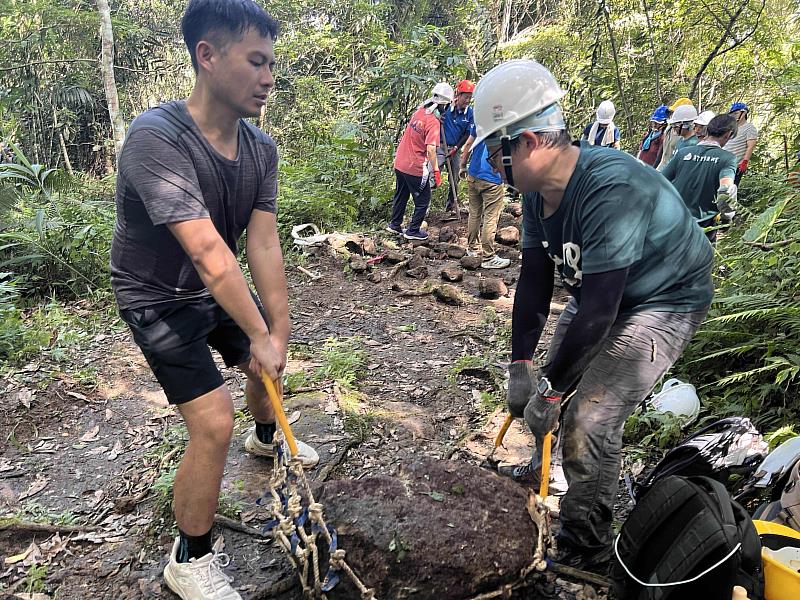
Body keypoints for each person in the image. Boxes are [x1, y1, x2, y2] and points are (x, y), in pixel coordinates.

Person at [109, 2, 319, 598]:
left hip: (212, 284)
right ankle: (189, 558)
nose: (269, 77)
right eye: (256, 61)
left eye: (271, 64)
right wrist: (257, 330)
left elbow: (262, 240)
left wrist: (276, 330)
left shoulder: (260, 149)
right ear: (207, 55)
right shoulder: (156, 138)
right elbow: (205, 250)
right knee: (212, 422)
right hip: (156, 297)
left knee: (268, 362)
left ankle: (268, 438)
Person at [472, 59, 713, 573]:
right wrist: (522, 365)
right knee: (552, 386)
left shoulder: (610, 188)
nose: (496, 167)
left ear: (531, 140)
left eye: (499, 153)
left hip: (662, 300)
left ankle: (587, 543)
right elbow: (535, 279)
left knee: (589, 414)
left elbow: (601, 312)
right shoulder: (538, 194)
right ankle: (550, 473)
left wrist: (554, 389)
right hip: (600, 292)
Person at [387, 82, 454, 241]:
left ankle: (394, 225)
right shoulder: (433, 123)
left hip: (400, 162)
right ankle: (413, 231)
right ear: (444, 105)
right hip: (414, 166)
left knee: (401, 194)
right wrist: (436, 171)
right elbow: (431, 149)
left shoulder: (419, 112)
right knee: (423, 199)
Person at [663, 114, 739, 242]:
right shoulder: (727, 159)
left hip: (673, 221)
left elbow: (660, 180)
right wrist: (727, 218)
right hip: (704, 226)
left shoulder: (683, 153)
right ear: (728, 134)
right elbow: (726, 190)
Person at [457, 124, 511, 269]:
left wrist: (463, 165)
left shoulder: (481, 117)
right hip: (492, 178)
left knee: (474, 213)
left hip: (473, 173)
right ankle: (489, 257)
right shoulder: (508, 122)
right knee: (490, 217)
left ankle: (472, 249)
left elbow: (468, 143)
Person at [439, 79, 476, 216]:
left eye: (470, 97)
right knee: (433, 174)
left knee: (455, 177)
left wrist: (456, 148)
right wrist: (438, 118)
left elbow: (468, 133)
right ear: (458, 95)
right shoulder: (446, 107)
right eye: (465, 97)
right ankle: (423, 206)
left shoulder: (470, 113)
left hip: (455, 148)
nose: (468, 100)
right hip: (440, 146)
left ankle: (451, 204)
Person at [724, 102, 759, 185]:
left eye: (736, 113)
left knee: (729, 190)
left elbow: (751, 146)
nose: (734, 116)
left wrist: (744, 162)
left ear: (743, 113)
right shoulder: (730, 127)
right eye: (732, 114)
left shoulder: (749, 128)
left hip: (735, 165)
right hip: (723, 162)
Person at [656, 97, 692, 171]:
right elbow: (663, 155)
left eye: (674, 112)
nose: (672, 115)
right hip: (662, 169)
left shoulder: (685, 135)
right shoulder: (669, 129)